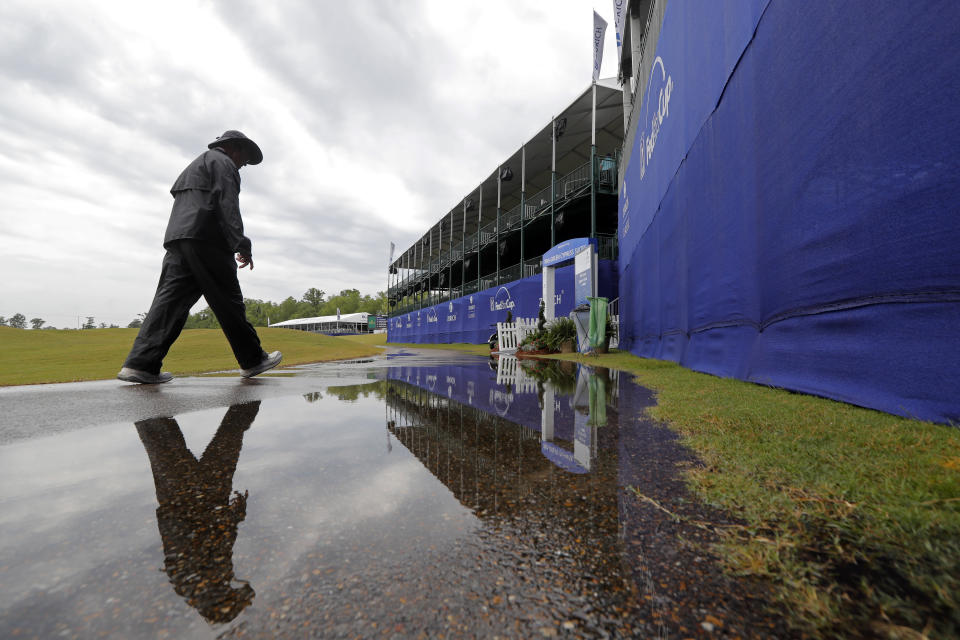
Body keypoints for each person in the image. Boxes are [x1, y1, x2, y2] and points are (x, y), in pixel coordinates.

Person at [118, 130, 281, 384]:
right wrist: (242, 244)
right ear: (235, 148)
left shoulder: (195, 165)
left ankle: (141, 364)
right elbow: (227, 205)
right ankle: (253, 360)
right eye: (245, 159)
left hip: (178, 239)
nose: (243, 165)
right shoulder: (224, 164)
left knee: (168, 304)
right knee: (228, 302)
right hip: (208, 240)